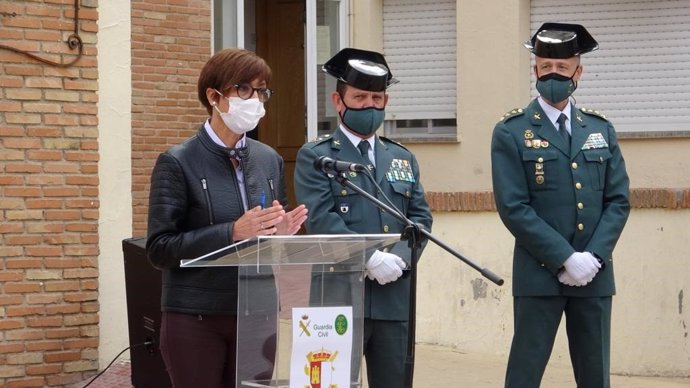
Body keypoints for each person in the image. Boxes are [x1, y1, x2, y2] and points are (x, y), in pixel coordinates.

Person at [146, 48, 308, 388]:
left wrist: (279, 235)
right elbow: (160, 248)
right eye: (244, 90)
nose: (256, 100)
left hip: (257, 314)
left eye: (261, 91)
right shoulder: (177, 162)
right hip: (196, 316)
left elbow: (267, 239)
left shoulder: (269, 160)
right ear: (214, 96)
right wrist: (231, 232)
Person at [490, 23, 630, 388]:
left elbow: (618, 201)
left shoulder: (600, 129)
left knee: (595, 375)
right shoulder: (511, 131)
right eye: (545, 66)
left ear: (578, 72)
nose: (553, 74)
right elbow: (513, 206)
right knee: (525, 372)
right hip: (540, 274)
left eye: (562, 68)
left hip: (595, 276)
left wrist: (594, 257)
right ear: (535, 69)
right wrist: (565, 258)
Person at [293, 48, 433, 388]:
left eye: (377, 97)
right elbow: (321, 219)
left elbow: (421, 219)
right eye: (360, 97)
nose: (369, 105)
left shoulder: (402, 157)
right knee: (328, 384)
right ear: (338, 101)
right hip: (337, 296)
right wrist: (368, 258)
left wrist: (398, 260)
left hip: (393, 297)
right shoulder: (317, 156)